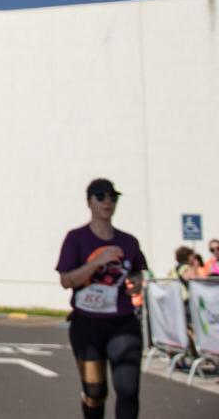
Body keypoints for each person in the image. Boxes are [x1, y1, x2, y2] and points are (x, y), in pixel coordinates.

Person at [56, 178, 147, 419]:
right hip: (87, 323)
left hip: (122, 321)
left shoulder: (128, 241)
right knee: (95, 391)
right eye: (100, 197)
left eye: (112, 198)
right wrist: (97, 262)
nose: (107, 202)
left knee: (128, 389)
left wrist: (137, 283)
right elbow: (66, 280)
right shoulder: (76, 238)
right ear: (89, 202)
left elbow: (137, 272)